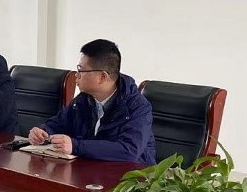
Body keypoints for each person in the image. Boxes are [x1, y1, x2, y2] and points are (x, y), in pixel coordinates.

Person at [28, 39, 156, 165]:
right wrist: (42, 132)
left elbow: (129, 150)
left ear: (102, 77)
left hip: (131, 175)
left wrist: (75, 146)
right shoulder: (83, 99)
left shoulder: (138, 107)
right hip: (91, 170)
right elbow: (58, 124)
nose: (77, 75)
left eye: (81, 70)